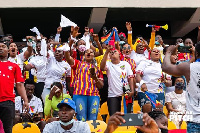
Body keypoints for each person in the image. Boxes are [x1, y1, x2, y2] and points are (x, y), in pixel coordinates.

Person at [162, 43, 200, 132]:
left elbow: (166, 67)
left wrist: (168, 52)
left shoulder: (188, 67)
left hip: (195, 120)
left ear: (197, 53)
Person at [65, 43, 104, 121]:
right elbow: (68, 58)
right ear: (84, 55)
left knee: (93, 118)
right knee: (81, 118)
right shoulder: (78, 63)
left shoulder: (97, 69)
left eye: (91, 52)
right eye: (86, 52)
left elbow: (101, 86)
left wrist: (95, 78)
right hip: (79, 94)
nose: (88, 53)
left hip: (93, 95)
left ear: (94, 56)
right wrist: (67, 48)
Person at [0, 42, 28, 133]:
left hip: (8, 102)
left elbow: (20, 85)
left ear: (8, 50)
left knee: (8, 129)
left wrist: (26, 100)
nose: (0, 48)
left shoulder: (14, 66)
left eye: (3, 47)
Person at [100, 45, 134, 116]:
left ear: (119, 54)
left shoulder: (125, 64)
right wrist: (106, 53)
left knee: (127, 117)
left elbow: (130, 78)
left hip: (126, 94)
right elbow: (102, 68)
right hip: (112, 95)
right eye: (111, 52)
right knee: (114, 117)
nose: (113, 52)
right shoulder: (108, 64)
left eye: (115, 51)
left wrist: (132, 91)